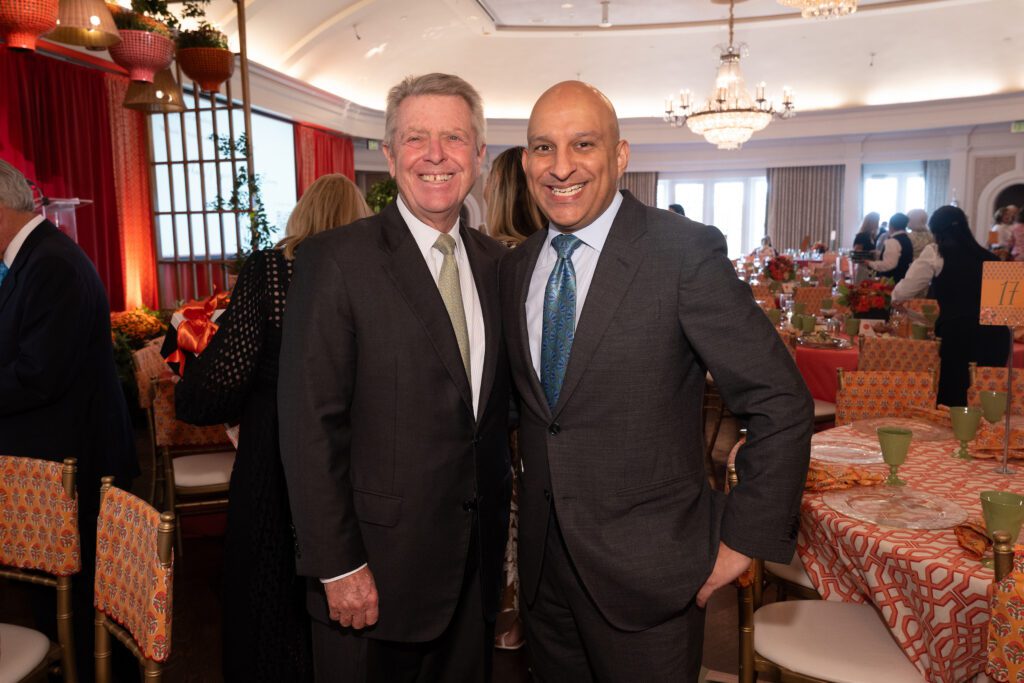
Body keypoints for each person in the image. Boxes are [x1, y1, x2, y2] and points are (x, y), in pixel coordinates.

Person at [498, 81, 812, 681]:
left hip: (650, 576)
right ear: (525, 162)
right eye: (543, 148)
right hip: (546, 579)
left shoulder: (681, 253)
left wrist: (743, 539)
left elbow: (780, 399)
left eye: (582, 144)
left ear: (619, 155)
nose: (560, 167)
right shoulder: (517, 267)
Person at [278, 73, 511, 683]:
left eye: (455, 138)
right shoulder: (336, 261)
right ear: (388, 155)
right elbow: (308, 427)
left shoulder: (498, 266)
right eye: (415, 138)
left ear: (479, 155)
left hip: (474, 573)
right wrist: (336, 565)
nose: (435, 155)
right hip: (371, 577)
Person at [173, 174, 372, 682]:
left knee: (268, 604)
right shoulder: (376, 273)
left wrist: (188, 356)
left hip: (275, 460)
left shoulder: (271, 270)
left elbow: (217, 387)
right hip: (358, 464)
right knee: (350, 608)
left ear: (301, 215)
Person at [0, 159, 137, 680]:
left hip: (69, 465)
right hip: (60, 461)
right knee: (69, 601)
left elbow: (39, 376)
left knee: (81, 600)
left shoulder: (49, 263)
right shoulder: (40, 257)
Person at [892, 205, 1009, 405]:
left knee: (954, 401)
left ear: (936, 232)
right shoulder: (990, 257)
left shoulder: (936, 252)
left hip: (959, 336)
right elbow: (1002, 308)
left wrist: (895, 298)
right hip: (995, 338)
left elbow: (903, 292)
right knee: (986, 402)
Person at [484, 145, 544, 248]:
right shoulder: (550, 249)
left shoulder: (493, 256)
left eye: (488, 181)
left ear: (497, 183)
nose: (484, 191)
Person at [866, 212, 912, 283]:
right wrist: (879, 253)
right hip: (903, 278)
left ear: (891, 225)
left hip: (892, 281)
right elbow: (899, 256)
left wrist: (869, 263)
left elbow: (889, 264)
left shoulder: (892, 241)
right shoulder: (907, 239)